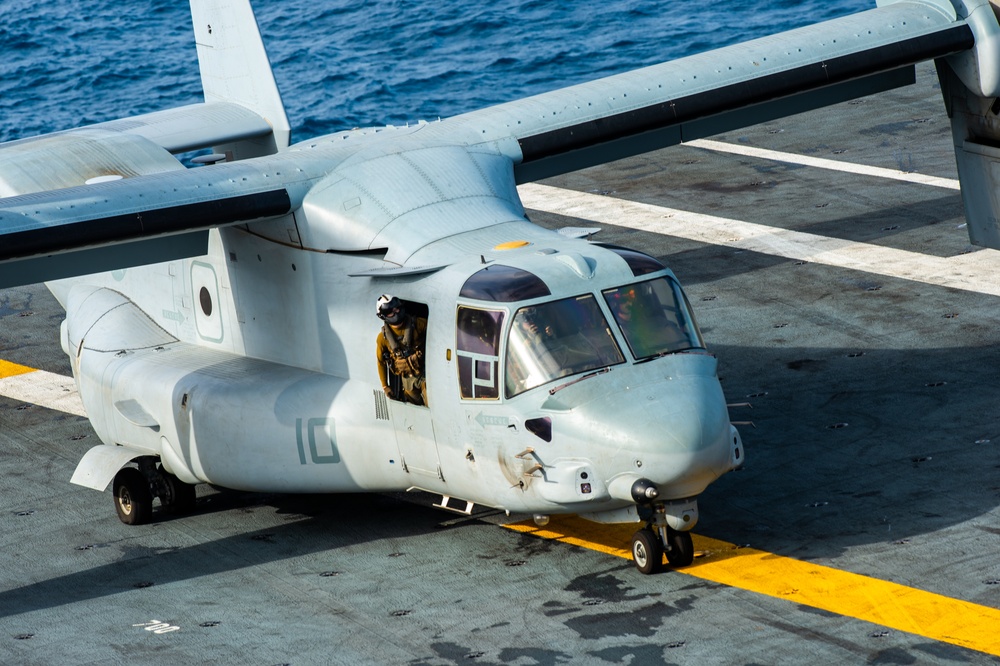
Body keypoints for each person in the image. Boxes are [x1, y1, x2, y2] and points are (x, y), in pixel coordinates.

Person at [375, 294, 428, 406]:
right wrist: (385, 386)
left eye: (397, 308)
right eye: (390, 311)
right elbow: (381, 362)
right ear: (383, 316)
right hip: (408, 382)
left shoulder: (418, 324)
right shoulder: (382, 339)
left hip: (425, 375)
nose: (396, 313)